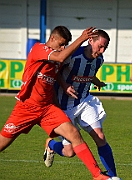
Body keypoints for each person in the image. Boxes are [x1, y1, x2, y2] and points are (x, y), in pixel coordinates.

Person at [0, 26, 113, 180]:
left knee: (74, 134)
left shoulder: (64, 58)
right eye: (61, 44)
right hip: (26, 107)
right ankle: (52, 145)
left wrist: (97, 82)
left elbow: (74, 70)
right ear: (52, 38)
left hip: (48, 109)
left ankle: (97, 175)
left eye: (65, 45)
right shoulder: (39, 49)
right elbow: (61, 58)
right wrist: (81, 39)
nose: (63, 48)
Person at [43, 29, 121, 179]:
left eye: (105, 47)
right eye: (100, 46)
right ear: (90, 41)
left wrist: (96, 81)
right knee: (69, 152)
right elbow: (54, 71)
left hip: (84, 101)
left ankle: (112, 177)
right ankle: (51, 144)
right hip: (64, 107)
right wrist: (64, 85)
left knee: (100, 137)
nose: (102, 50)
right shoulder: (72, 55)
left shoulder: (99, 60)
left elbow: (88, 73)